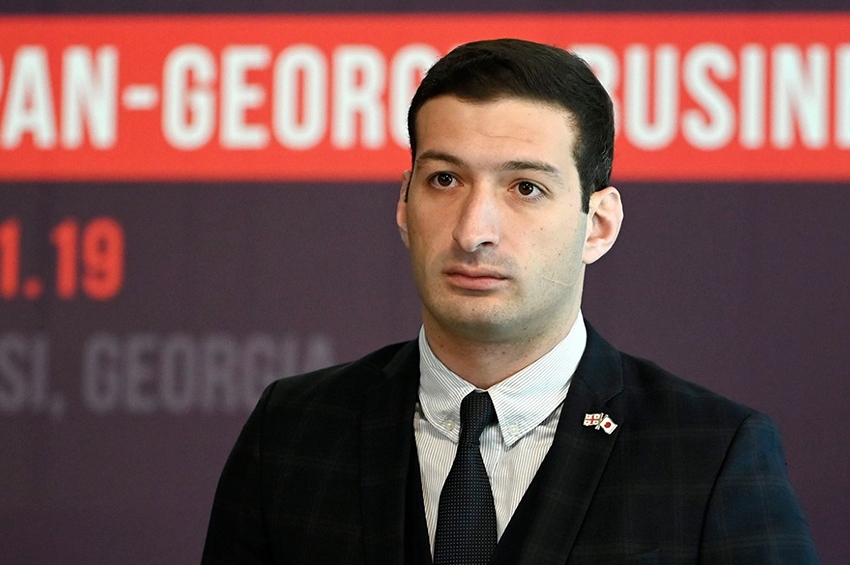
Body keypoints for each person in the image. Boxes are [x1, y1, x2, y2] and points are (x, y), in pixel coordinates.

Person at [202, 38, 818, 564]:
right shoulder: (293, 433)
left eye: (525, 187)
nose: (474, 231)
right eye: (445, 180)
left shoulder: (711, 452)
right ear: (405, 205)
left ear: (598, 224)